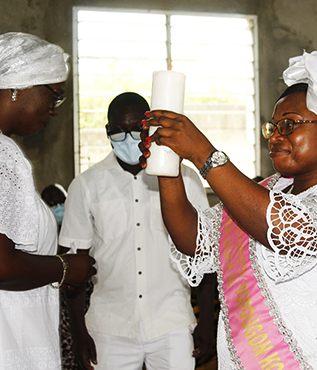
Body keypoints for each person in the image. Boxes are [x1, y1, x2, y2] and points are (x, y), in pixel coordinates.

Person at [140, 51, 317, 368]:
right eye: (274, 126)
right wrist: (168, 168)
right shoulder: (266, 192)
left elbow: (293, 230)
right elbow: (193, 240)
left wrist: (204, 155)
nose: (276, 135)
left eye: (289, 124)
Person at [0, 32, 96, 369]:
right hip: (0, 343)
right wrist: (65, 267)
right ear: (18, 85)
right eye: (54, 96)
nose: (53, 110)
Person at [59, 92, 214, 370]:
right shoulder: (87, 185)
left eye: (135, 129)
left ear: (150, 129)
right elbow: (74, 267)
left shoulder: (185, 180)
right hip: (109, 324)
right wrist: (79, 333)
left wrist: (206, 322)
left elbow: (203, 257)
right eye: (118, 130)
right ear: (108, 131)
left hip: (171, 320)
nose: (127, 137)